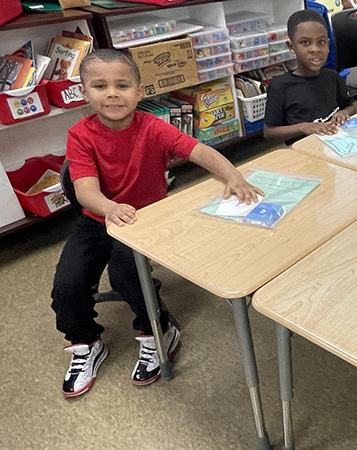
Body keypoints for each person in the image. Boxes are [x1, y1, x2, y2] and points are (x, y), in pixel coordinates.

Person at [52, 49, 263, 398]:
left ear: (140, 91)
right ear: (85, 93)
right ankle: (85, 343)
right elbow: (85, 189)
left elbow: (201, 151)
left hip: (143, 222)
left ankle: (158, 330)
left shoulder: (154, 127)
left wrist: (234, 176)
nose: (112, 93)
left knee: (126, 274)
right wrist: (109, 208)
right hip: (98, 219)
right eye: (100, 86)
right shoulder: (80, 135)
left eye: (122, 85)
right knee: (67, 285)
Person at [263, 10, 356, 146]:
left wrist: (343, 112)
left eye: (321, 42)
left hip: (338, 143)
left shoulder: (332, 77)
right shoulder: (280, 87)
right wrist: (304, 127)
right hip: (304, 150)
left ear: (328, 44)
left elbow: (350, 107)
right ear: (291, 47)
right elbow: (269, 133)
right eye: (305, 43)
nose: (315, 49)